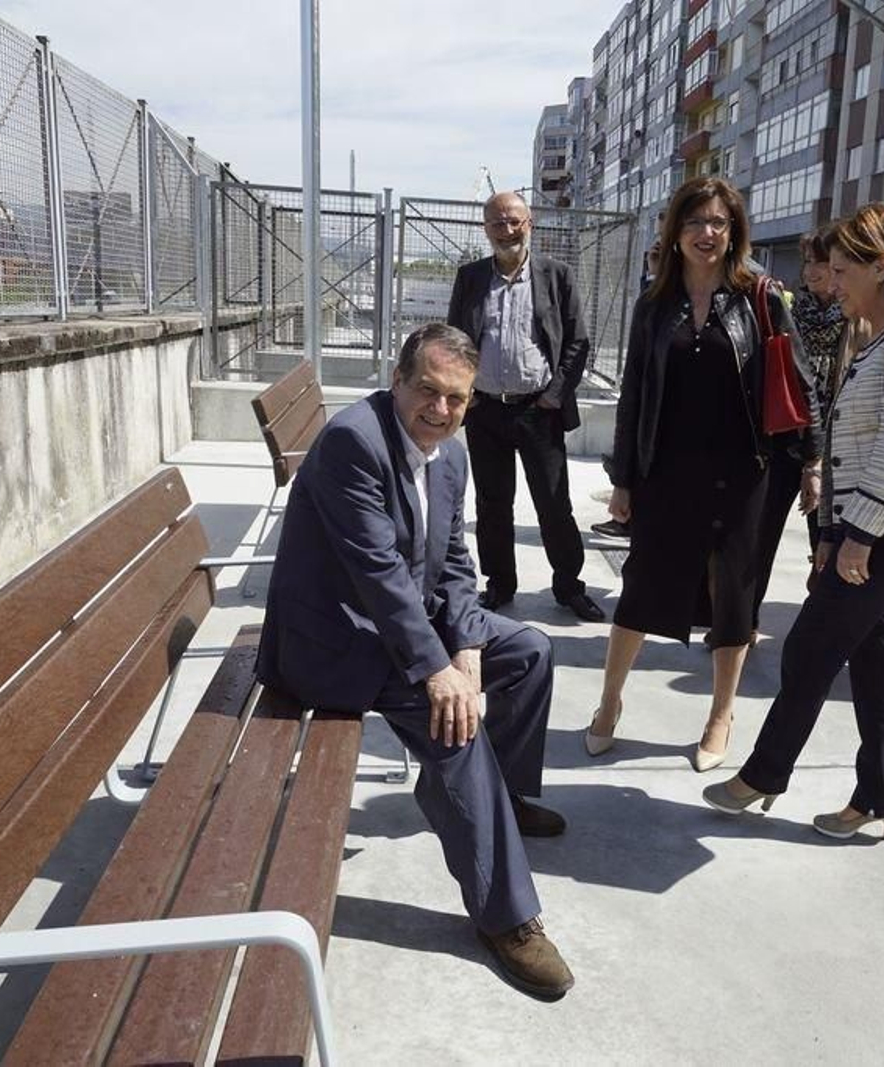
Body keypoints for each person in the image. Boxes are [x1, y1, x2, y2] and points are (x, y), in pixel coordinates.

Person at [256, 323, 573, 999]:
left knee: (529, 652)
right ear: (396, 380)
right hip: (333, 639)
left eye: (456, 398)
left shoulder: (449, 453)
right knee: (454, 720)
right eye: (426, 390)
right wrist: (440, 670)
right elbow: (378, 576)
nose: (440, 408)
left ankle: (502, 802)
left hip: (400, 621)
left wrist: (463, 641)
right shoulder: (354, 441)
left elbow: (454, 561)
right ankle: (506, 916)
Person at [701, 203, 884, 839]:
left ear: (882, 267)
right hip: (869, 526)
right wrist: (834, 534)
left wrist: (859, 536)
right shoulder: (877, 332)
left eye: (843, 270)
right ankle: (879, 797)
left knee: (812, 647)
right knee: (876, 663)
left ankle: (764, 773)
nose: (831, 281)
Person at [584, 177, 819, 772]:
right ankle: (609, 701)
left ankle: (720, 714)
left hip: (743, 474)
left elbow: (800, 382)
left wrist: (813, 462)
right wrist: (625, 478)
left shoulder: (761, 297)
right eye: (695, 222)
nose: (707, 234)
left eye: (718, 223)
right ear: (675, 231)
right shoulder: (653, 304)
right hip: (667, 472)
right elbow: (635, 393)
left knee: (733, 596)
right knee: (641, 587)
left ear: (734, 230)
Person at [446, 191, 605, 622]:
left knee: (553, 503)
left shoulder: (556, 275)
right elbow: (455, 340)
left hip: (540, 410)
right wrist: (468, 394)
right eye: (497, 223)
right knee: (493, 504)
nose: (507, 230)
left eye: (514, 220)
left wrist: (554, 394)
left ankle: (569, 587)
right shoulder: (471, 278)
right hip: (486, 411)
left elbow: (577, 341)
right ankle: (499, 585)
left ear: (529, 222)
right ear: (486, 229)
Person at [750, 230, 846, 638]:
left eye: (819, 263)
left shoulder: (855, 314)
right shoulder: (788, 308)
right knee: (759, 534)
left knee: (826, 540)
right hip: (788, 436)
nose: (810, 271)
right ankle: (743, 620)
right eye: (807, 262)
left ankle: (819, 626)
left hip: (838, 444)